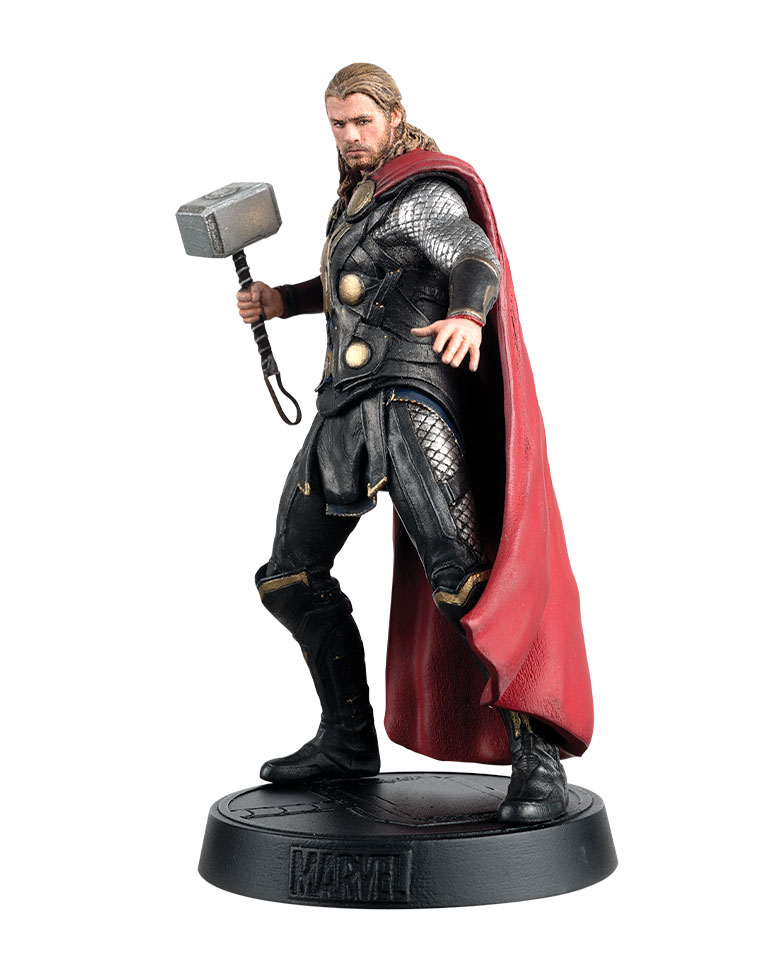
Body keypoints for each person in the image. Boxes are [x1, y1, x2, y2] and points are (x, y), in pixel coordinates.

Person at [237, 63, 594, 823]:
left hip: (410, 403)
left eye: (361, 121)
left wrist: (467, 314)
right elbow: (355, 288)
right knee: (289, 576)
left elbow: (473, 255)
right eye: (337, 123)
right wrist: (281, 301)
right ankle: (346, 739)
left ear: (394, 117)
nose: (349, 136)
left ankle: (536, 756)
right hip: (345, 408)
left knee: (466, 582)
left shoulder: (422, 192)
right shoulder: (358, 203)